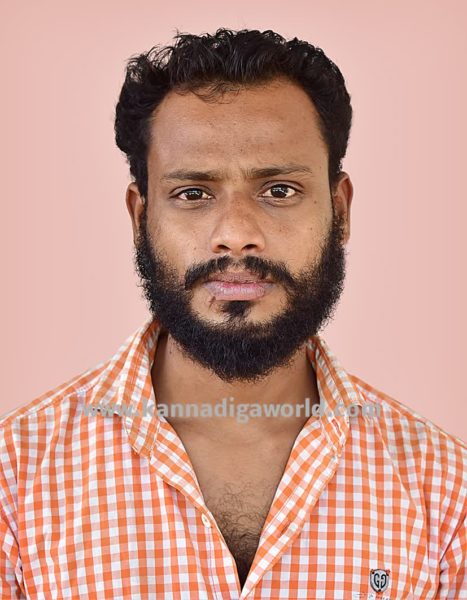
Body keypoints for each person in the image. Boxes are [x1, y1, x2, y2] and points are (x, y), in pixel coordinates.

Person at [0, 28, 465, 599]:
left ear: (340, 212)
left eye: (280, 190)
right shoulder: (14, 482)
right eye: (193, 194)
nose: (237, 234)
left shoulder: (445, 495)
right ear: (140, 218)